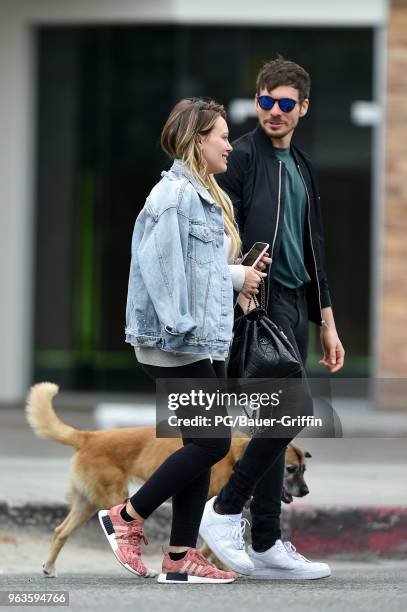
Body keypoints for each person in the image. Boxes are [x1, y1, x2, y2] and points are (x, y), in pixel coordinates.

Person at [98, 97, 264, 585]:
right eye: (222, 135)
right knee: (213, 442)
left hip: (200, 338)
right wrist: (197, 312)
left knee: (202, 442)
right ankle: (125, 517)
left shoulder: (203, 194)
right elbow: (163, 270)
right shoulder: (172, 197)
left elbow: (200, 271)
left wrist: (237, 281)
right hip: (176, 340)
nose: (230, 145)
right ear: (198, 140)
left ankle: (179, 558)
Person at [199, 58, 345, 579]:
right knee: (290, 411)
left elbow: (314, 246)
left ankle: (265, 544)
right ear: (257, 100)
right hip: (255, 304)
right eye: (266, 100)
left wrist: (325, 318)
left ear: (303, 108)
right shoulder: (239, 157)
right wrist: (236, 288)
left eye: (286, 103)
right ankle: (224, 512)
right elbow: (222, 231)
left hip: (294, 303)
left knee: (274, 424)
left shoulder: (302, 165)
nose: (274, 111)